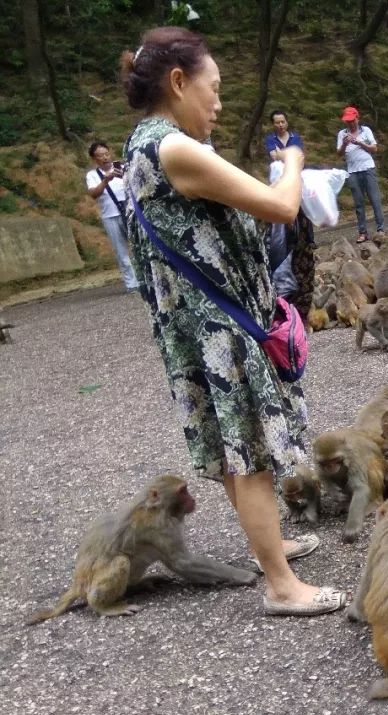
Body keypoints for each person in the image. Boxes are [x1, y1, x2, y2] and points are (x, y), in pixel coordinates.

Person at [120, 26, 347, 616]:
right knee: (250, 452)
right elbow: (282, 206)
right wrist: (294, 160)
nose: (219, 103)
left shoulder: (142, 143)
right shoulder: (171, 147)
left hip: (197, 325)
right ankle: (280, 584)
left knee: (232, 449)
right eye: (213, 88)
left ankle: (270, 544)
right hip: (220, 328)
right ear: (177, 82)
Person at [263, 110, 315, 311]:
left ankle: (306, 239)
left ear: (287, 122)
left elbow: (296, 157)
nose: (280, 125)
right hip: (280, 185)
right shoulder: (270, 139)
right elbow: (275, 156)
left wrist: (284, 156)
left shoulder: (295, 137)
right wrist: (289, 157)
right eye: (276, 122)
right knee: (284, 219)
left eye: (283, 121)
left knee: (302, 214)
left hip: (297, 183)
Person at [86, 141, 138, 292]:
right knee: (121, 251)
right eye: (100, 156)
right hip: (110, 216)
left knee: (139, 247)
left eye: (106, 154)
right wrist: (105, 180)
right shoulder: (92, 175)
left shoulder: (122, 168)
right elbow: (94, 194)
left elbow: (137, 185)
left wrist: (124, 177)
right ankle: (132, 284)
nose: (105, 158)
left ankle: (146, 280)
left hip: (130, 212)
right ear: (94, 159)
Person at [336, 105, 385, 244]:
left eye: (352, 120)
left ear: (357, 118)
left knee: (375, 200)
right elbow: (339, 153)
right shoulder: (342, 134)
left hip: (368, 168)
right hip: (352, 171)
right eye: (348, 121)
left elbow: (374, 149)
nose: (350, 123)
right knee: (358, 203)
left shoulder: (366, 131)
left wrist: (359, 142)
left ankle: (380, 229)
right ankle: (362, 232)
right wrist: (345, 144)